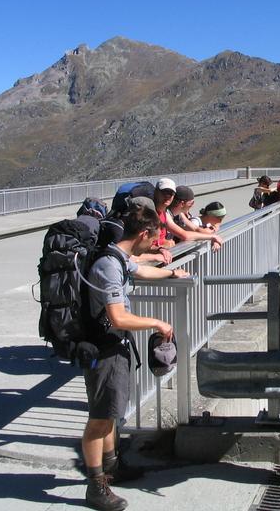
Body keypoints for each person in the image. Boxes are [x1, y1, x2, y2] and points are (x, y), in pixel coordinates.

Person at [81, 203, 188, 511]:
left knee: (111, 413)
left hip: (115, 346)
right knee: (99, 419)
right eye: (153, 238)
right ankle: (95, 486)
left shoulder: (119, 257)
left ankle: (112, 466)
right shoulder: (108, 266)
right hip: (103, 349)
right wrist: (157, 323)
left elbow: (140, 269)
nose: (155, 244)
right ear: (143, 234)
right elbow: (118, 317)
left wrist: (171, 273)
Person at [154, 178, 223, 251]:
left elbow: (195, 229)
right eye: (191, 203)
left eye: (171, 194)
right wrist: (213, 235)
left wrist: (214, 233)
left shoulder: (178, 215)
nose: (192, 205)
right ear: (182, 203)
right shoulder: (163, 213)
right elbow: (185, 235)